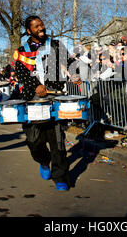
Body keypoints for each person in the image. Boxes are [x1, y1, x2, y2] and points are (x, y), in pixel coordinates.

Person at [13, 15, 78, 192]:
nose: (41, 28)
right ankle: (43, 161)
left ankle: (60, 177)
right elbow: (22, 73)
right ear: (29, 31)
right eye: (36, 26)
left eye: (41, 24)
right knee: (35, 141)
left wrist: (76, 74)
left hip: (54, 98)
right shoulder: (22, 50)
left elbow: (70, 63)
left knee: (57, 141)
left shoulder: (55, 45)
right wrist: (36, 86)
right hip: (33, 100)